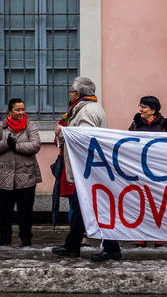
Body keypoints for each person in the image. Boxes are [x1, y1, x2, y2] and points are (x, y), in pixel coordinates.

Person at [51, 77, 121, 262]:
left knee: (95, 209)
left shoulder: (86, 111)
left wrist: (64, 131)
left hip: (87, 171)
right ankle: (73, 245)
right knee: (83, 209)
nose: (70, 94)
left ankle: (111, 248)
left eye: (72, 91)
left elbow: (84, 138)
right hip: (88, 170)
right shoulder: (87, 108)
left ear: (79, 94)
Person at [129, 96, 167, 248]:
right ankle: (141, 235)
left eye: (144, 107)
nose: (140, 109)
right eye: (140, 106)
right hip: (140, 170)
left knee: (158, 204)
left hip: (158, 170)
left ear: (153, 110)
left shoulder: (164, 125)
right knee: (141, 203)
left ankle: (158, 235)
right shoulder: (135, 124)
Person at [0, 98, 41, 247]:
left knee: (25, 212)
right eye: (18, 110)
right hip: (4, 177)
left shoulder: (31, 126)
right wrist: (6, 144)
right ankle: (4, 240)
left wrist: (15, 146)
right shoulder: (1, 127)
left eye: (23, 109)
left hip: (27, 176)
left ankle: (26, 240)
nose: (21, 112)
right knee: (4, 212)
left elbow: (35, 145)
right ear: (10, 111)